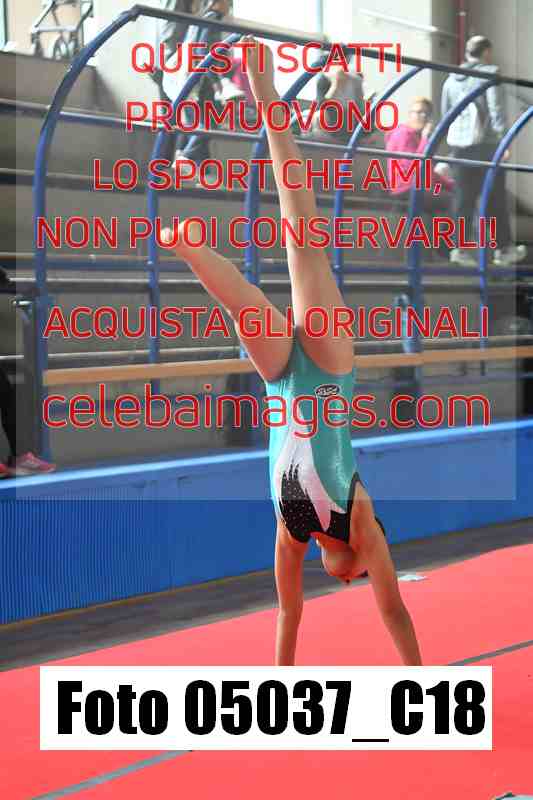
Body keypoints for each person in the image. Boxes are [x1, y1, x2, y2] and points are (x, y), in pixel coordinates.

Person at [161, 37, 422, 667]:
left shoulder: (293, 531)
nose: (348, 582)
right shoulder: (361, 525)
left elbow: (288, 612)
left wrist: (280, 682)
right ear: (359, 564)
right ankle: (267, 94)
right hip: (329, 370)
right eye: (356, 579)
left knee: (245, 305)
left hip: (281, 381)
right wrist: (421, 681)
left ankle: (190, 247)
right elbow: (393, 608)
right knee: (303, 244)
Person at [441, 34, 527, 267]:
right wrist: (504, 142)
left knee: (463, 199)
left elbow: (446, 114)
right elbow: (496, 110)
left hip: (460, 147)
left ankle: (458, 249)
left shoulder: (450, 79)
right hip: (486, 146)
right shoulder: (490, 73)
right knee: (495, 197)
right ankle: (503, 249)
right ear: (486, 52)